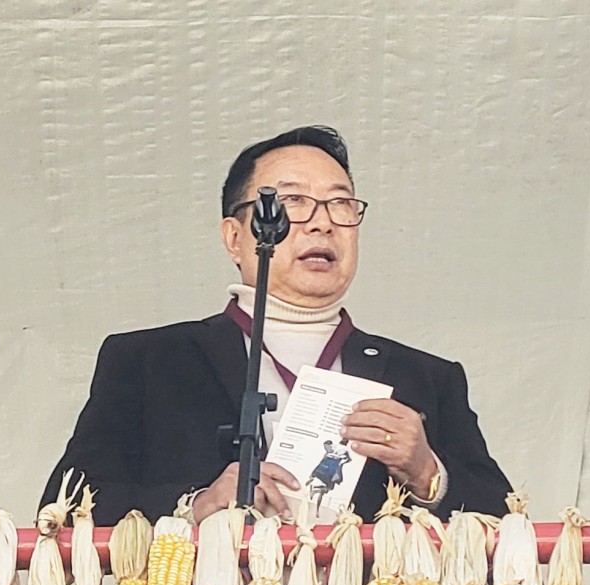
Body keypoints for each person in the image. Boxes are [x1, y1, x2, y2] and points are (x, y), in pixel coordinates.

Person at [41, 125, 510, 526]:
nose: (322, 224)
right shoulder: (149, 362)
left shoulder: (426, 378)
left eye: (340, 205)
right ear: (235, 237)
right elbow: (65, 507)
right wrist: (195, 505)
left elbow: (509, 526)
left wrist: (429, 473)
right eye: (292, 203)